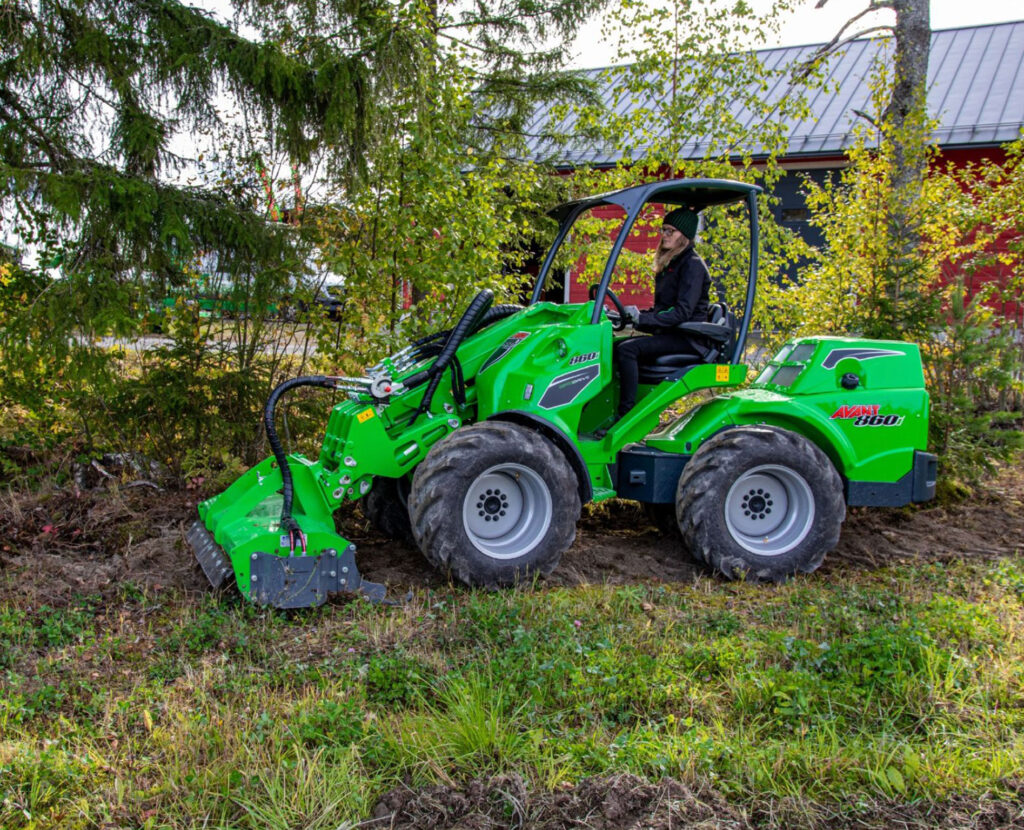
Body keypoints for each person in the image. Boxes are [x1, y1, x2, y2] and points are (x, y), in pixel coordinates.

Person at [613, 206, 711, 417]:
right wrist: (633, 317)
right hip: (673, 333)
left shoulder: (692, 266)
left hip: (689, 338)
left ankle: (626, 415)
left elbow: (681, 312)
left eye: (670, 231)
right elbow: (663, 309)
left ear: (684, 236)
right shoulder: (672, 264)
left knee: (627, 350)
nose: (664, 235)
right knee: (613, 345)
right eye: (663, 230)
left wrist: (643, 319)